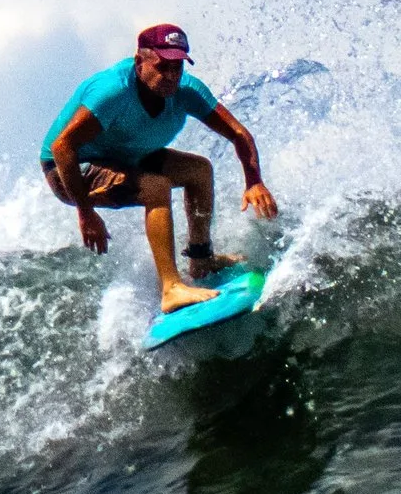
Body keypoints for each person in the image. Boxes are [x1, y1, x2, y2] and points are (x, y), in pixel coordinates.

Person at [41, 23, 278, 312]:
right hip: (71, 168)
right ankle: (171, 288)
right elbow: (62, 147)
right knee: (156, 186)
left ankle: (201, 260)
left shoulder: (187, 90)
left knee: (199, 170)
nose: (171, 76)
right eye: (162, 66)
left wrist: (254, 181)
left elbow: (238, 134)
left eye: (177, 67)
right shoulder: (113, 91)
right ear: (140, 61)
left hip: (128, 154)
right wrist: (85, 213)